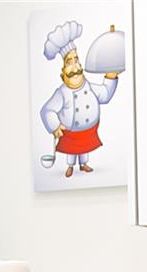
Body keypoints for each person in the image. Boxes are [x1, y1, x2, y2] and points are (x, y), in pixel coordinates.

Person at [40, 20, 120, 178]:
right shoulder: (62, 92)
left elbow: (104, 95)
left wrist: (110, 78)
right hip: (71, 132)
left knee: (84, 150)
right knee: (72, 150)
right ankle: (70, 166)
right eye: (69, 62)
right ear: (63, 71)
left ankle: (83, 164)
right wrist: (54, 126)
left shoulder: (88, 86)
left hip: (89, 131)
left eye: (76, 60)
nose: (74, 66)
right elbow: (47, 110)